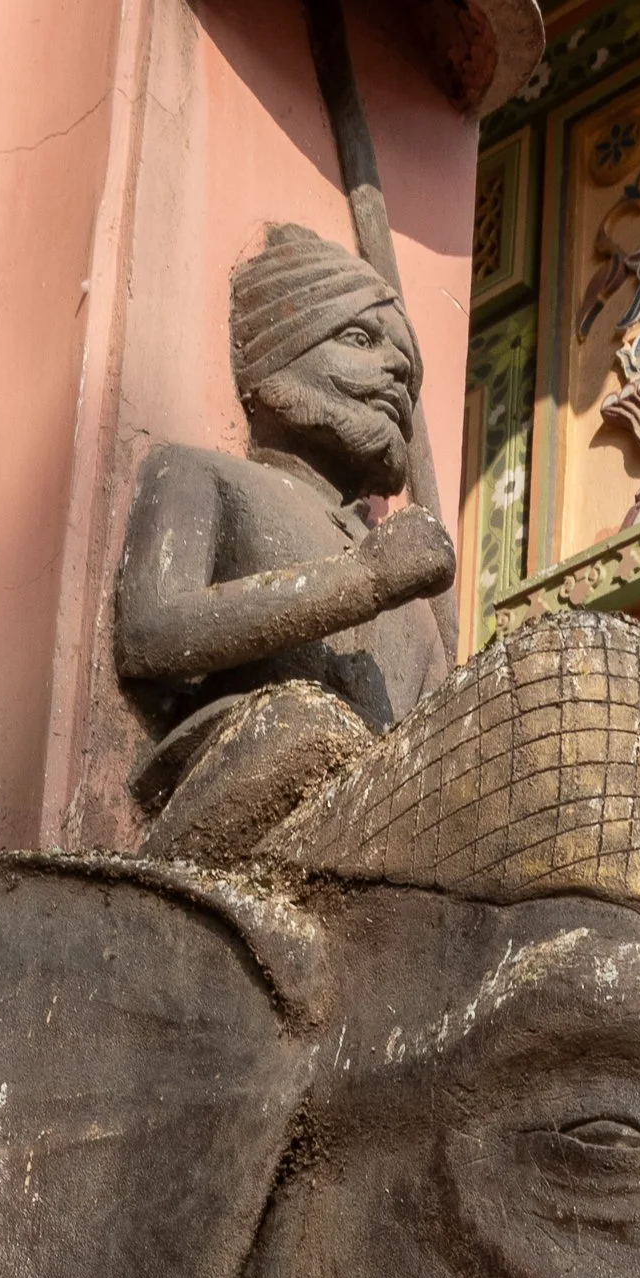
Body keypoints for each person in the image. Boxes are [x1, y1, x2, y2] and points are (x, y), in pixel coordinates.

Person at [112, 220, 456, 852]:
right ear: (273, 353)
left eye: (407, 374)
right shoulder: (204, 476)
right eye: (360, 338)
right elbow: (150, 630)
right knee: (304, 725)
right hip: (253, 773)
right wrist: (364, 581)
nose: (394, 375)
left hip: (371, 840)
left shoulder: (417, 612)